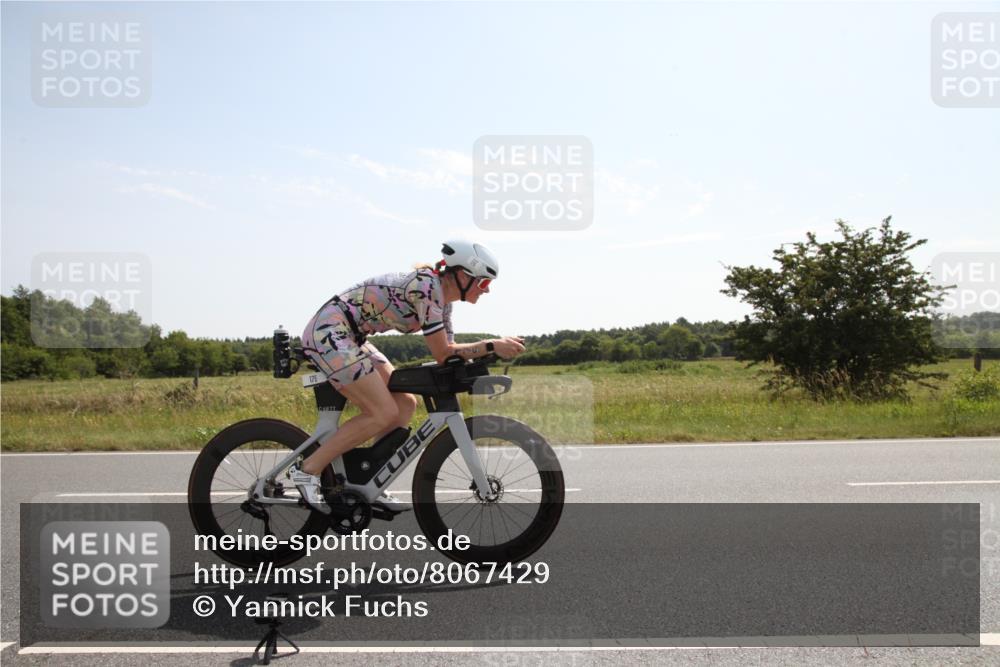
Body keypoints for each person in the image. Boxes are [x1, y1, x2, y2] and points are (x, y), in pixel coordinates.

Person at [288, 240, 525, 513]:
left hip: (350, 336)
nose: (487, 290)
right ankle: (308, 470)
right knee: (382, 412)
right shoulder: (426, 290)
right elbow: (443, 353)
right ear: (462, 275)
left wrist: (486, 353)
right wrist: (492, 345)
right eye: (483, 283)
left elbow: (449, 355)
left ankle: (367, 480)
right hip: (329, 333)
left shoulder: (442, 302)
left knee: (404, 405)